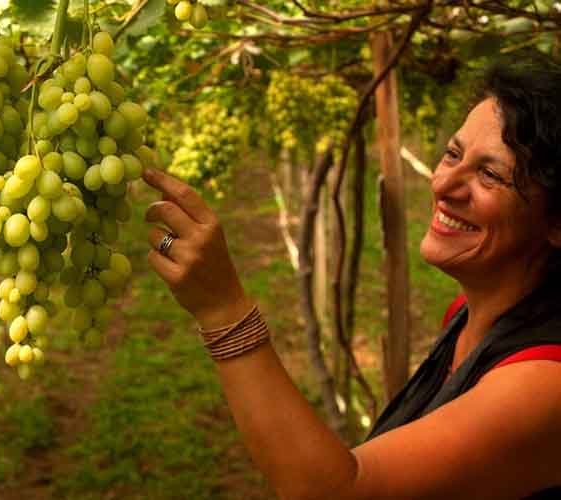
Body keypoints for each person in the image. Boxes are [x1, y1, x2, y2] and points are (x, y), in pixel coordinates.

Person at [141, 52, 561, 499]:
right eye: (452, 154)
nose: (442, 184)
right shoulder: (466, 316)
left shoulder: (546, 382)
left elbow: (339, 492)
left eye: (490, 174)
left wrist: (223, 309)